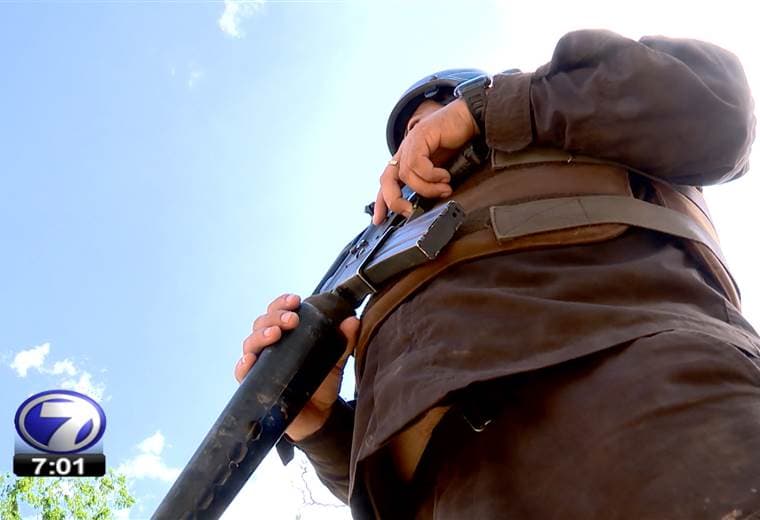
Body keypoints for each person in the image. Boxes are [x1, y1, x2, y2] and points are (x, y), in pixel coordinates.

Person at [235, 29, 760, 519]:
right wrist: (321, 427)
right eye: (405, 134)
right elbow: (387, 468)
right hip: (455, 492)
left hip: (642, 390)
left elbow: (720, 106)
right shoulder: (377, 250)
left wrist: (494, 110)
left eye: (430, 114)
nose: (414, 134)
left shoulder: (564, 111)